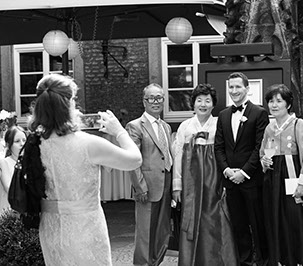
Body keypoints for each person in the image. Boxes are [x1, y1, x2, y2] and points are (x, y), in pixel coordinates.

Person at [28, 74, 142, 265]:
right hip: (85, 228)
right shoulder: (87, 143)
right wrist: (119, 131)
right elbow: (134, 160)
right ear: (69, 105)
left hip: (50, 228)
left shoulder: (34, 143)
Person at [172, 83, 238, 266]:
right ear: (193, 104)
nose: (203, 104)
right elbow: (178, 156)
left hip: (214, 179)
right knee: (192, 218)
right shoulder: (185, 126)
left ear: (213, 104)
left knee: (215, 219)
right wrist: (177, 186)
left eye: (207, 101)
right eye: (199, 100)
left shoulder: (220, 125)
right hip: (190, 181)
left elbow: (226, 155)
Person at [214, 72, 269, 266]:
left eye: (238, 87)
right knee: (238, 225)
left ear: (247, 89)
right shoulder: (223, 115)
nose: (234, 91)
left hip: (251, 179)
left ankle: (263, 261)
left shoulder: (259, 113)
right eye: (231, 87)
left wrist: (244, 172)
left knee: (258, 223)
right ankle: (245, 261)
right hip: (230, 180)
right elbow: (218, 147)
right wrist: (227, 171)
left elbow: (259, 147)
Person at [260, 83, 303, 266]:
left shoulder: (300, 125)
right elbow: (263, 152)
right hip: (273, 178)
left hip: (293, 175)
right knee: (276, 218)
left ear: (288, 104)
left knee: (295, 218)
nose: (274, 105)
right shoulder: (269, 128)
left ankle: (302, 259)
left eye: (279, 101)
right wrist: (264, 161)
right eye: (270, 101)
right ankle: (281, 259)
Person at [126, 83, 173, 266]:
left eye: (159, 97)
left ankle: (155, 262)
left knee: (162, 231)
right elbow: (133, 160)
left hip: (166, 185)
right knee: (145, 232)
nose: (156, 101)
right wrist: (140, 187)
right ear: (144, 101)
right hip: (147, 186)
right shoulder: (135, 126)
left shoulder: (166, 127)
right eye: (151, 98)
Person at [0, 125, 27, 213]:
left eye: (24, 140)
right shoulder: (4, 163)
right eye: (17, 141)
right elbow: (10, 189)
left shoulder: (30, 164)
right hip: (10, 215)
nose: (22, 144)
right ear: (9, 145)